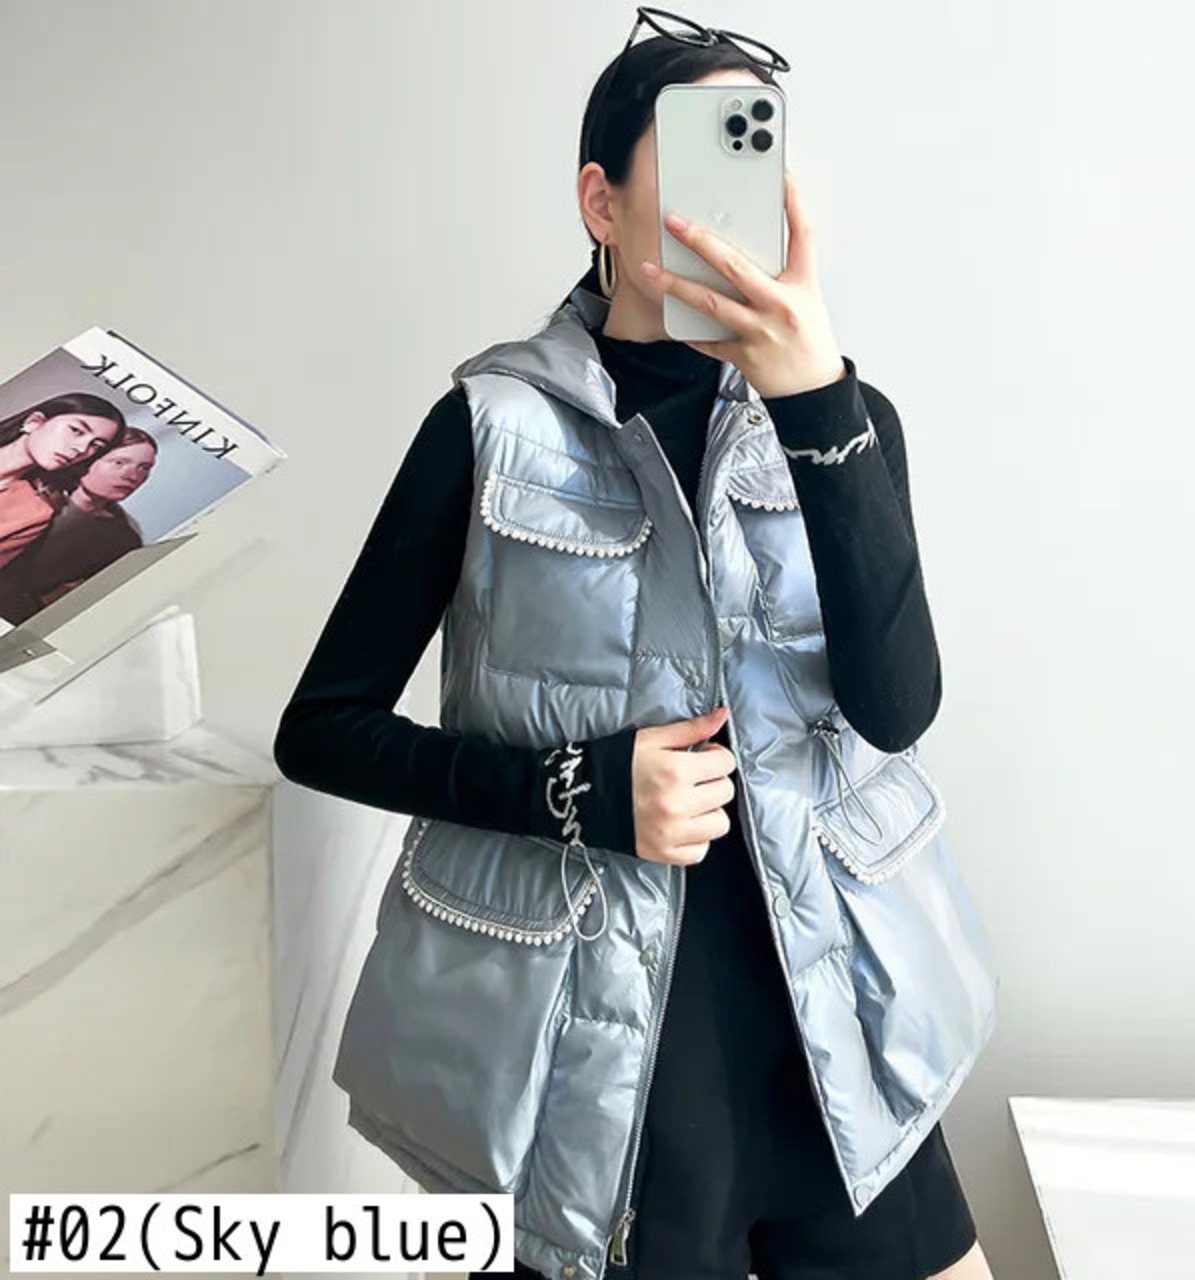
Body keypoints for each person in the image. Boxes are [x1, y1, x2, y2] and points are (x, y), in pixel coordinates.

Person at [274, 10, 997, 1280]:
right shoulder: (488, 428)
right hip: (607, 1064)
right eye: (698, 156)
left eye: (753, 159)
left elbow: (896, 708)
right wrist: (581, 791)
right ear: (599, 201)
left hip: (839, 1033)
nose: (732, 205)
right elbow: (320, 729)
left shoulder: (843, 415)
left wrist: (817, 405)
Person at [0, 426, 154, 624]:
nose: (132, 476)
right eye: (119, 462)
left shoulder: (123, 539)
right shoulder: (28, 491)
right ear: (88, 460)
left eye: (144, 468)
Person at [0, 393, 125, 570]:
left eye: (96, 446)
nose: (81, 449)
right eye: (76, 430)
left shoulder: (35, 514)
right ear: (34, 422)